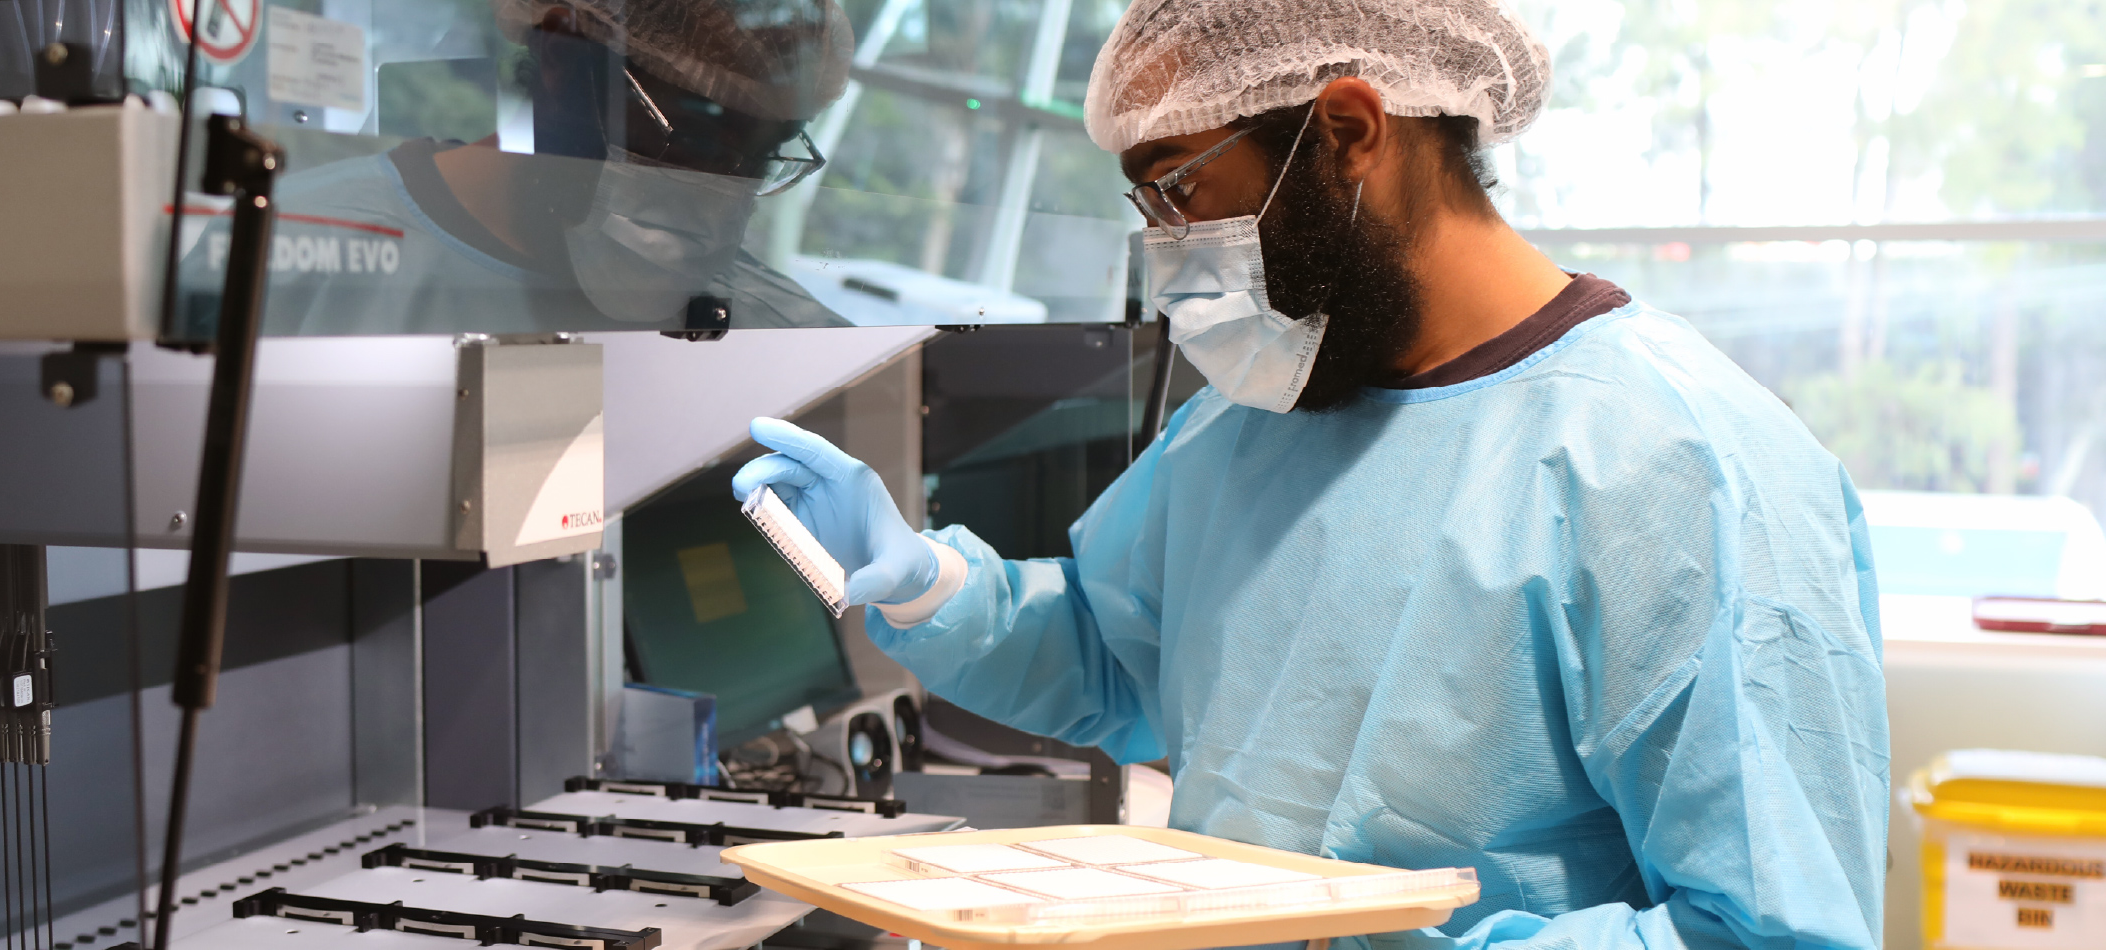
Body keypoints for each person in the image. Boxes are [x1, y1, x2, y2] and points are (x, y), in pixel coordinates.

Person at [733, 1, 1889, 948]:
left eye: (1178, 189)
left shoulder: (1685, 469)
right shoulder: (1258, 416)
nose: (1167, 248)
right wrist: (932, 582)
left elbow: (1773, 928)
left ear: (1346, 130)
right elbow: (1122, 651)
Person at [180, 0, 854, 334]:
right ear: (561, 52)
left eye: (761, 153)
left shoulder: (780, 333)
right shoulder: (290, 253)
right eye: (695, 136)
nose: (723, 191)